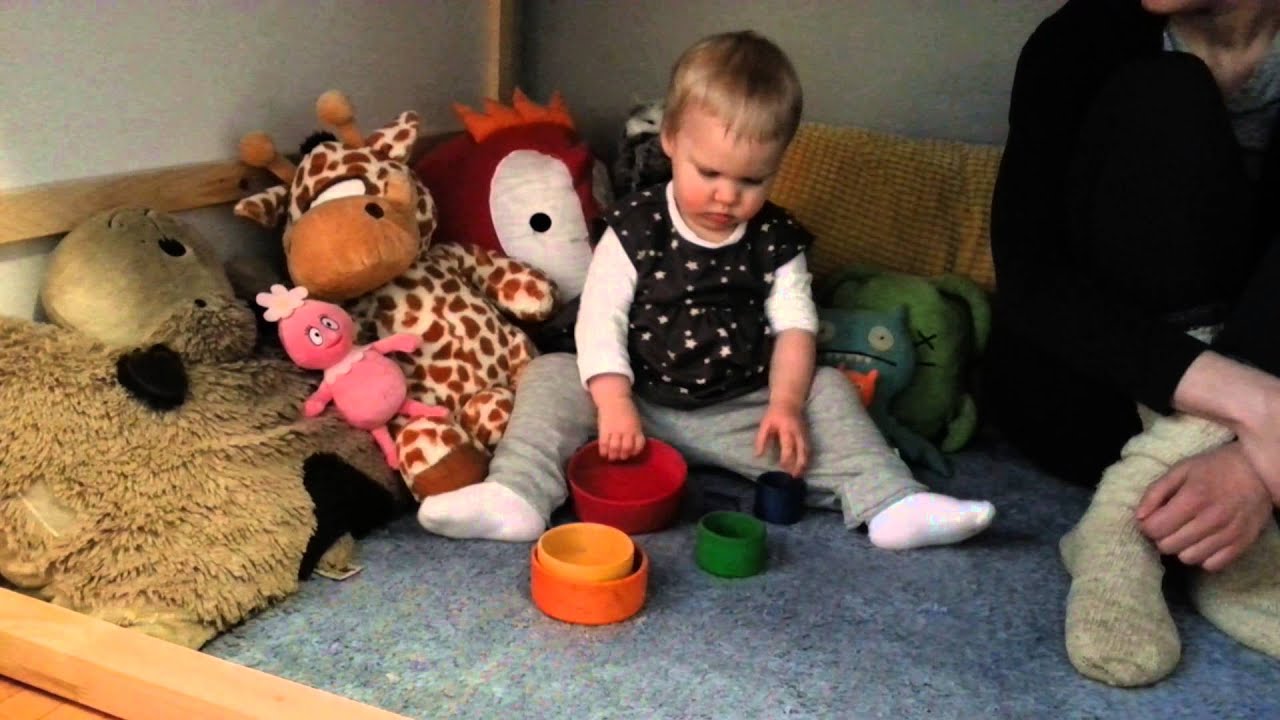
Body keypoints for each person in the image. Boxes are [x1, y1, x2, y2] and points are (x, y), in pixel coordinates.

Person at [415, 29, 995, 550]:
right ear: (670, 140)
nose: (727, 196)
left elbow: (797, 327)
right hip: (633, 401)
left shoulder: (775, 238)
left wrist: (786, 406)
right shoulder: (638, 224)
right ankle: (515, 495)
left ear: (778, 165)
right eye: (710, 173)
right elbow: (601, 318)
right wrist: (614, 400)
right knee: (549, 376)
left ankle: (893, 503)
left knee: (827, 391)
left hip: (741, 411)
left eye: (752, 180)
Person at [983, 0, 1280, 686]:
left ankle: (1122, 519)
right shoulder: (1077, 40)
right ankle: (1134, 518)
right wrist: (1260, 409)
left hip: (1261, 431)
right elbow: (1031, 283)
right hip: (1088, 398)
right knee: (1168, 92)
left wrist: (1249, 469)